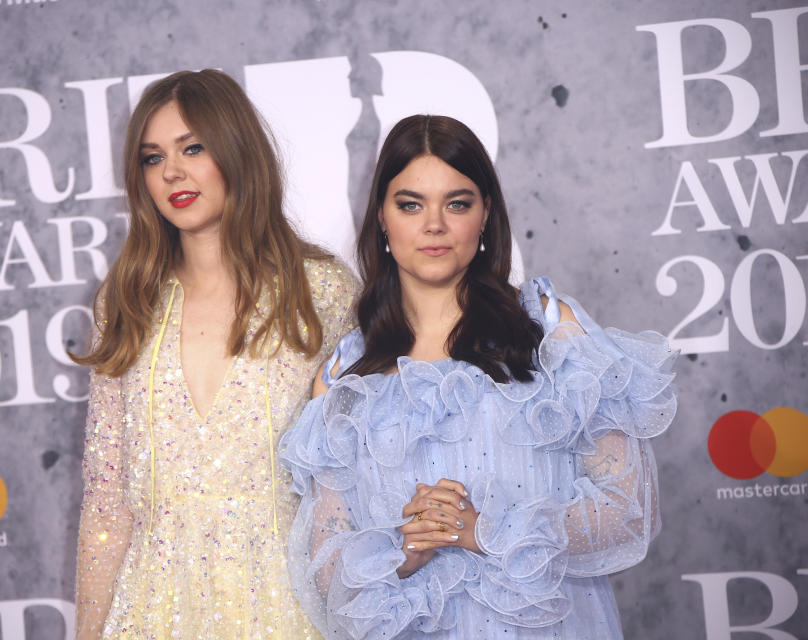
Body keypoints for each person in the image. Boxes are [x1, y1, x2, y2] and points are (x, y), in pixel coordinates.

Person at [279, 115, 677, 639]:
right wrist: (405, 546)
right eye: (411, 204)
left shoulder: (552, 334)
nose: (434, 225)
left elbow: (629, 513)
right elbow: (328, 579)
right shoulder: (345, 379)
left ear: (486, 214)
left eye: (458, 203)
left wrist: (487, 529)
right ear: (381, 216)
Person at [73, 69, 359, 639]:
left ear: (236, 151)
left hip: (288, 608)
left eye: (193, 148)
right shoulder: (126, 300)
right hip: (151, 613)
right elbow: (107, 500)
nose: (172, 172)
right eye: (152, 159)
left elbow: (352, 483)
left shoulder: (320, 291)